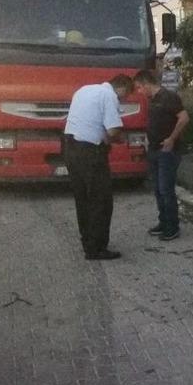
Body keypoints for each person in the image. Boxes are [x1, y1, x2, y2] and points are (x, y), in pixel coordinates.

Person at [63, 75, 134, 260]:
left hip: (69, 146)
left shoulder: (84, 89)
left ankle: (87, 241)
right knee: (101, 200)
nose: (124, 99)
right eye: (125, 95)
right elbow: (112, 130)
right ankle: (97, 248)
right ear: (122, 88)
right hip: (90, 152)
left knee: (83, 197)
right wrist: (122, 139)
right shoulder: (109, 96)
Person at [135, 70, 189, 241]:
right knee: (158, 189)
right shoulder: (152, 100)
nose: (139, 92)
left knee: (166, 189)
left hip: (167, 150)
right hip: (153, 149)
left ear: (146, 84)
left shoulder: (168, 97)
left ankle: (172, 226)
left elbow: (184, 118)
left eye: (139, 88)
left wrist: (171, 139)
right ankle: (163, 221)